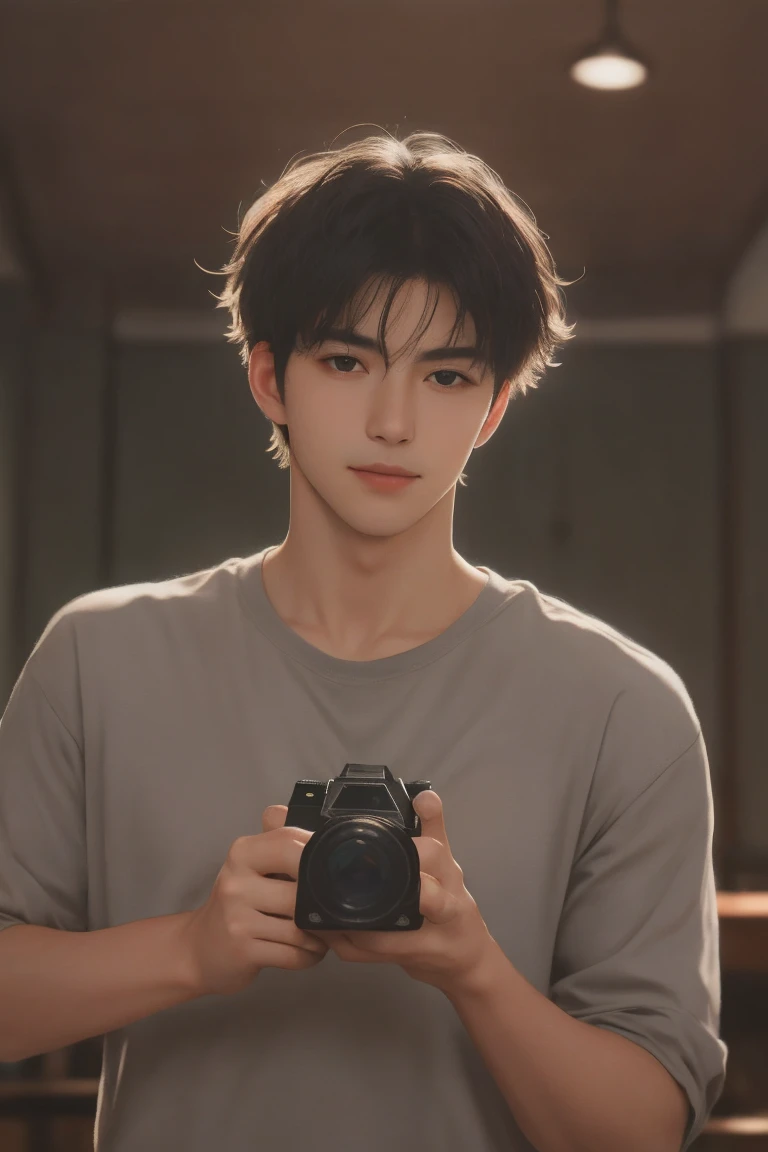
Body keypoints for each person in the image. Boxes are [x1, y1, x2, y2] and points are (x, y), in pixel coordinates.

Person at [0, 131, 726, 1151]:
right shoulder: (99, 659)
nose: (392, 421)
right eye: (347, 360)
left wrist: (472, 966)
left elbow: (647, 1130)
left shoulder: (624, 708)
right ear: (268, 376)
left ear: (493, 409)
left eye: (444, 376)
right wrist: (191, 950)